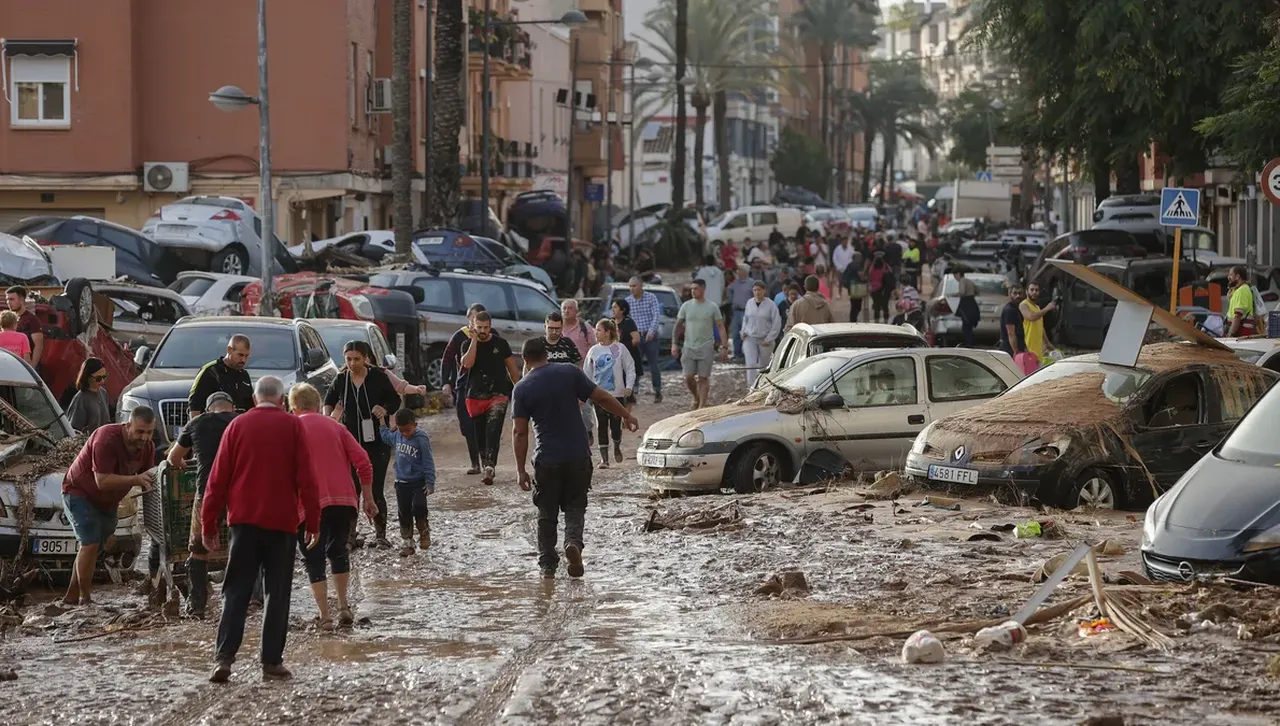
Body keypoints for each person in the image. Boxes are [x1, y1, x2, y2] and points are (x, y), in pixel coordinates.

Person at [204, 376, 320, 683]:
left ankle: (224, 660)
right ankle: (271, 663)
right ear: (282, 401)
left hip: (243, 523)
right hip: (281, 524)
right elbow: (307, 478)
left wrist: (208, 524)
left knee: (236, 590)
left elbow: (216, 481)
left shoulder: (237, 426)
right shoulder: (293, 426)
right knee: (276, 593)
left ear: (255, 400)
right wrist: (313, 522)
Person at [511, 338, 638, 579]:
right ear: (546, 354)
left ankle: (548, 565)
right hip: (578, 456)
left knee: (546, 513)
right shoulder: (569, 372)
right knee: (575, 506)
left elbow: (520, 432)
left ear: (525, 360)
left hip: (547, 459)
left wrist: (520, 470)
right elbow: (601, 397)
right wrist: (626, 416)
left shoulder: (522, 388)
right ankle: (573, 543)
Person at [288, 384, 375, 630]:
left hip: (309, 505)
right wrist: (368, 498)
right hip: (344, 502)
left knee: (312, 558)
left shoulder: (292, 430)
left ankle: (325, 616)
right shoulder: (337, 427)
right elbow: (364, 462)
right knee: (338, 551)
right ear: (317, 405)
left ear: (294, 409)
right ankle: (344, 607)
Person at [61, 406, 156, 606]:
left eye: (149, 432)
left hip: (108, 501)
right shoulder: (106, 438)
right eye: (140, 432)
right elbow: (101, 481)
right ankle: (85, 601)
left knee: (94, 548)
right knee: (90, 543)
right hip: (79, 491)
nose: (144, 438)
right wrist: (135, 478)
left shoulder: (148, 447)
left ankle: (70, 598)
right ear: (128, 426)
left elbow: (150, 480)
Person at [167, 392, 238, 618]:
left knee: (198, 548)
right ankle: (252, 600)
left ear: (208, 409)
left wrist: (182, 465)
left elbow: (173, 458)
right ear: (232, 407)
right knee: (245, 543)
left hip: (208, 490)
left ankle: (197, 605)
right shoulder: (240, 421)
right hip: (240, 491)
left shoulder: (195, 423)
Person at [324, 340, 401, 548]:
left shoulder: (378, 377)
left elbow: (396, 400)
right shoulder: (341, 379)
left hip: (377, 441)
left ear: (366, 358)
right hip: (350, 441)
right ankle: (350, 535)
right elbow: (328, 399)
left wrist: (384, 409)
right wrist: (328, 418)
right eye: (348, 359)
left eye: (357, 359)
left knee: (375, 488)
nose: (352, 363)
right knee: (351, 489)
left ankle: (380, 534)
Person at [460, 311, 522, 485]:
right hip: (475, 396)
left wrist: (519, 388)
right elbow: (468, 364)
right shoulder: (466, 344)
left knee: (493, 431)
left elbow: (512, 369)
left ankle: (490, 467)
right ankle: (485, 463)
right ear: (473, 326)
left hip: (498, 394)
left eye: (486, 327)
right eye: (479, 327)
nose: (483, 330)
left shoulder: (500, 344)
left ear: (490, 326)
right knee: (480, 434)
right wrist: (474, 341)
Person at [380, 408, 436, 557]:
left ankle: (423, 531)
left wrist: (430, 483)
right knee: (404, 513)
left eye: (408, 430)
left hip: (418, 482)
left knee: (419, 507)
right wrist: (381, 421)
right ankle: (407, 543)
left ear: (415, 425)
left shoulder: (421, 438)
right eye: (401, 430)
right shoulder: (397, 435)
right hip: (401, 483)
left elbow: (428, 461)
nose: (405, 434)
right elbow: (386, 437)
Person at [441, 303, 487, 474]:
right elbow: (446, 359)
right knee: (467, 426)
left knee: (484, 425)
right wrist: (445, 382)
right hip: (464, 385)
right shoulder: (460, 336)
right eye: (470, 318)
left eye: (475, 318)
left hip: (484, 386)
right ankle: (475, 463)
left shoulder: (491, 336)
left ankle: (487, 461)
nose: (471, 322)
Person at [583, 319, 636, 468]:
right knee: (601, 424)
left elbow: (630, 368)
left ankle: (617, 445)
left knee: (615, 424)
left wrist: (629, 386)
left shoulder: (620, 348)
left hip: (617, 393)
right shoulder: (593, 351)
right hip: (598, 394)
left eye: (599, 330)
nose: (596, 333)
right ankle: (604, 459)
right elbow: (587, 373)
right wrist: (587, 391)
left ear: (608, 332)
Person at [673, 279, 728, 411]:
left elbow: (720, 326)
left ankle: (702, 405)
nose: (693, 291)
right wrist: (674, 344)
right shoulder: (686, 306)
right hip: (688, 346)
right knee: (688, 377)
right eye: (692, 289)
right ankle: (696, 397)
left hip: (706, 346)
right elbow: (678, 325)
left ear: (703, 289)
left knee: (703, 377)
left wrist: (724, 347)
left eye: (696, 289)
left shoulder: (712, 307)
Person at [189, 334, 254, 416]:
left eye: (246, 356)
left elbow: (250, 407)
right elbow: (194, 405)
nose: (243, 360)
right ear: (229, 350)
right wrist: (196, 427)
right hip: (214, 425)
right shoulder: (211, 371)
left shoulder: (244, 375)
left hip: (238, 426)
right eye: (240, 355)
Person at [626, 276, 664, 403]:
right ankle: (632, 391)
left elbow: (656, 316)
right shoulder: (628, 301)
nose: (632, 289)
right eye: (630, 286)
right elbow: (626, 320)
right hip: (635, 337)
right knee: (633, 364)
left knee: (654, 365)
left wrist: (652, 331)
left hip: (650, 336)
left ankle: (657, 390)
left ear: (641, 286)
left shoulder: (651, 298)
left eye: (634, 286)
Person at [741, 281, 782, 389]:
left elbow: (776, 323)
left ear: (764, 290)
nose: (757, 292)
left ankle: (764, 386)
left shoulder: (771, 305)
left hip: (765, 338)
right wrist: (743, 331)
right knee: (750, 364)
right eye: (755, 290)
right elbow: (746, 319)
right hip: (750, 337)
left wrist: (769, 338)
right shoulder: (749, 303)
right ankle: (751, 387)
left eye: (759, 290)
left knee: (764, 365)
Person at [66, 358, 112, 434]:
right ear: (87, 377)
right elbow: (74, 430)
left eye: (104, 377)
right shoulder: (80, 399)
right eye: (98, 378)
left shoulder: (103, 393)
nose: (102, 381)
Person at [611, 298, 642, 408]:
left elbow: (636, 339)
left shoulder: (629, 322)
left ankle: (626, 416)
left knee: (628, 391)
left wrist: (622, 347)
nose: (612, 310)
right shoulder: (610, 322)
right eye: (612, 307)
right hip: (614, 361)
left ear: (622, 310)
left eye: (615, 307)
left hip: (629, 359)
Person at [5, 286, 43, 369]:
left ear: (21, 300)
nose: (8, 302)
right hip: (8, 365)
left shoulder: (32, 320)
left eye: (12, 299)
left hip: (26, 365)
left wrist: (32, 366)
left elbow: (38, 345)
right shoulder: (6, 320)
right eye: (7, 299)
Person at [1020, 282, 1058, 363]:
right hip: (1027, 348)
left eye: (1036, 290)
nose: (1034, 292)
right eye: (1032, 290)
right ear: (1027, 291)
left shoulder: (1037, 307)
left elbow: (1040, 326)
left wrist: (1047, 343)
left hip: (1038, 350)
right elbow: (1031, 317)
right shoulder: (1024, 305)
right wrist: (1047, 308)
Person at [726, 265, 754, 360]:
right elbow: (728, 289)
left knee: (747, 334)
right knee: (735, 334)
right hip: (736, 312)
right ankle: (737, 354)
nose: (737, 272)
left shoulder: (751, 283)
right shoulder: (735, 283)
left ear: (745, 272)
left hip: (746, 312)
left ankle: (748, 354)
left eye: (739, 270)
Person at [953, 268, 981, 347]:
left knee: (966, 326)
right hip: (972, 302)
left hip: (966, 303)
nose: (955, 278)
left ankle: (969, 344)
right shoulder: (969, 281)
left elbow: (962, 292)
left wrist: (952, 295)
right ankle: (970, 342)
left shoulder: (962, 281)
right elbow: (977, 291)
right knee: (969, 326)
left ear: (958, 274)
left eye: (955, 276)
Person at [1227, 265, 1257, 337]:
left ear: (1237, 276)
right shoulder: (1238, 290)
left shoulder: (1242, 291)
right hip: (1239, 334)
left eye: (1231, 275)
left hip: (1239, 335)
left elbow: (1237, 316)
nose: (1228, 277)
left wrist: (1230, 334)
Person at [999, 285, 1028, 357]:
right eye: (1015, 293)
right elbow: (1011, 333)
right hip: (1010, 349)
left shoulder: (1019, 308)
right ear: (1010, 294)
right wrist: (1016, 352)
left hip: (1019, 346)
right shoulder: (1009, 310)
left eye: (1020, 293)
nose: (1018, 296)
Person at [867, 252, 895, 324]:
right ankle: (886, 321)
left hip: (874, 290)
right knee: (885, 306)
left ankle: (877, 321)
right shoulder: (885, 267)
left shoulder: (872, 269)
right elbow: (891, 274)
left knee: (877, 306)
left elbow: (869, 276)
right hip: (885, 289)